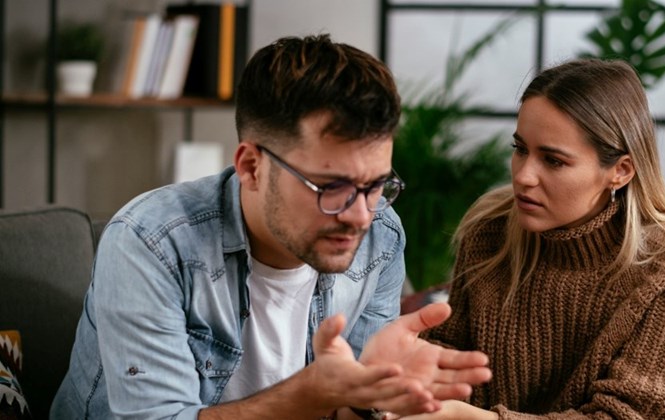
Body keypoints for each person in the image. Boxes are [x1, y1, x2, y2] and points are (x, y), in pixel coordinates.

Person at [51, 34, 491, 419]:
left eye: (376, 185)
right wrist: (309, 397)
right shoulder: (150, 243)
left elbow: (347, 408)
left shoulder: (381, 235)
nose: (359, 215)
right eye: (331, 186)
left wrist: (367, 399)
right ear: (251, 167)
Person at [402, 59, 665, 419]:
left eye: (553, 161)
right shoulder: (490, 232)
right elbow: (450, 361)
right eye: (520, 149)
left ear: (620, 171)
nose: (523, 177)